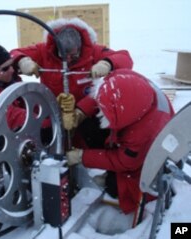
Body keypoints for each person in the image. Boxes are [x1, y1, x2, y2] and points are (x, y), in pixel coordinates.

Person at [65, 69, 175, 214]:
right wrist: (81, 112)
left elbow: (123, 161)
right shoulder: (124, 82)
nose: (100, 112)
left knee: (115, 187)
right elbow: (104, 94)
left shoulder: (142, 134)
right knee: (88, 126)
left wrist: (82, 157)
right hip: (142, 123)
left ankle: (110, 179)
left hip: (146, 157)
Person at [10, 17, 133, 147]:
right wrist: (23, 61)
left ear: (80, 47)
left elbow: (125, 58)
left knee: (93, 137)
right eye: (63, 55)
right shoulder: (44, 51)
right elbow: (13, 53)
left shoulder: (93, 51)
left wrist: (107, 64)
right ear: (55, 46)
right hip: (51, 113)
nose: (68, 60)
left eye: (73, 56)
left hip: (86, 114)